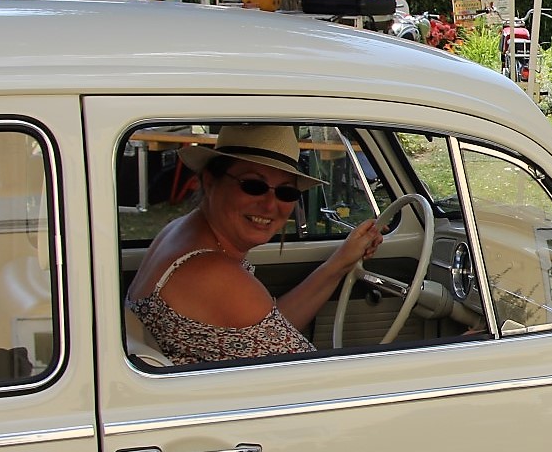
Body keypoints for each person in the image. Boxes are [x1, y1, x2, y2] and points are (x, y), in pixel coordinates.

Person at [126, 124, 384, 365]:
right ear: (209, 181)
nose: (270, 205)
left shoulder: (181, 231)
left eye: (286, 192)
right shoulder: (215, 274)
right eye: (253, 185)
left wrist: (340, 263)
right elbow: (306, 374)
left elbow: (266, 326)